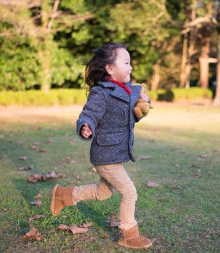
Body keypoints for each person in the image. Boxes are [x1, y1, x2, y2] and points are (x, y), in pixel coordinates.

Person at [50, 42, 152, 250]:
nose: (130, 67)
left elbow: (128, 118)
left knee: (103, 192)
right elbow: (89, 113)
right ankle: (128, 233)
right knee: (129, 192)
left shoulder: (128, 90)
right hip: (105, 154)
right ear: (110, 68)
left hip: (115, 153)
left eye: (130, 62)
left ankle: (64, 195)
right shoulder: (102, 92)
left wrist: (142, 107)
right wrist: (86, 125)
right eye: (126, 62)